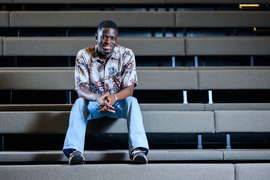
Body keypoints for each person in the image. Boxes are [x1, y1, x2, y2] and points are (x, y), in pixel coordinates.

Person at [63, 20, 149, 165]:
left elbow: (129, 89)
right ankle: (74, 152)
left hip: (117, 104)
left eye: (112, 38)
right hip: (94, 103)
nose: (107, 41)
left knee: (132, 102)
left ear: (116, 39)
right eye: (103, 37)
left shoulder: (127, 54)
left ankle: (138, 150)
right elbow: (81, 89)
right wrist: (97, 98)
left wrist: (114, 97)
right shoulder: (84, 55)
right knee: (79, 103)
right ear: (96, 36)